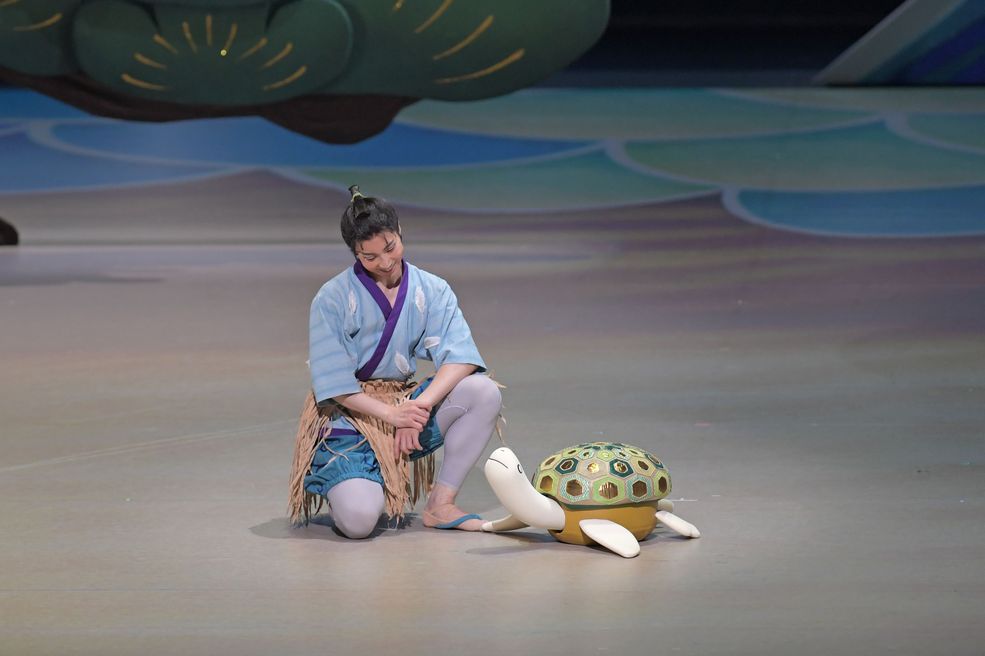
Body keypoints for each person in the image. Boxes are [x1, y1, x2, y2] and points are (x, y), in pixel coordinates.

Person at [289, 186, 502, 538]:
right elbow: (333, 383)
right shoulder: (333, 297)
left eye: (390, 247)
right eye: (369, 256)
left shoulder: (432, 288)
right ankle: (346, 480)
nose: (385, 262)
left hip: (406, 405)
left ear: (400, 231)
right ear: (354, 252)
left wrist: (417, 407)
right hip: (350, 415)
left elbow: (461, 357)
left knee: (483, 392)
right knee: (359, 523)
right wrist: (392, 416)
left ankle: (441, 504)